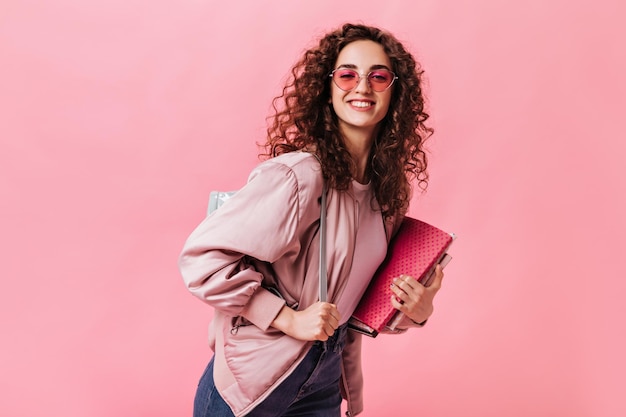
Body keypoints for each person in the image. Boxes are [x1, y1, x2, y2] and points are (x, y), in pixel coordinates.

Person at [178, 23, 445, 417]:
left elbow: (357, 299)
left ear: (395, 91)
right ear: (328, 87)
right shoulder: (299, 176)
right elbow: (202, 260)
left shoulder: (385, 193)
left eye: (379, 76)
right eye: (348, 74)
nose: (362, 86)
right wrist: (286, 318)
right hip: (253, 380)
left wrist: (416, 311)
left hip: (323, 380)